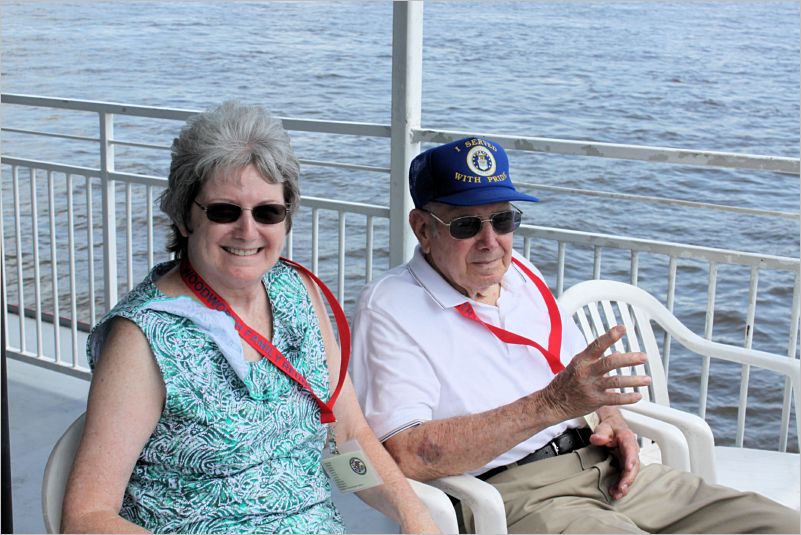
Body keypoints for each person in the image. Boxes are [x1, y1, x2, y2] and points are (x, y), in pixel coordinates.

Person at [351, 136, 800, 533]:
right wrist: (552, 405)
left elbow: (574, 377)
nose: (491, 241)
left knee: (777, 524)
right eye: (467, 225)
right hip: (514, 493)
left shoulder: (521, 275)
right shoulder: (391, 308)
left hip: (608, 469)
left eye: (503, 220)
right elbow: (411, 455)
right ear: (423, 229)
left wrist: (613, 420)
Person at [61, 101, 439, 534]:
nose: (247, 230)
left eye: (267, 212)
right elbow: (87, 517)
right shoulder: (144, 337)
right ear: (186, 216)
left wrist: (415, 518)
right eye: (224, 211)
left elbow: (345, 434)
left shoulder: (298, 293)